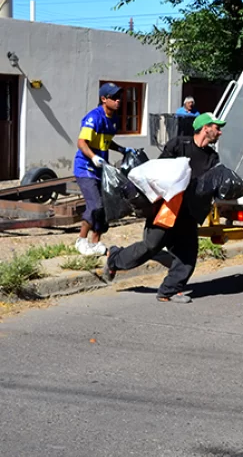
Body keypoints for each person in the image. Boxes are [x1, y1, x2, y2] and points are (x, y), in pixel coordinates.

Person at [102, 112, 226, 304]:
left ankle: (169, 290)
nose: (219, 132)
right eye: (217, 128)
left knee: (187, 255)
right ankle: (114, 259)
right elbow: (158, 171)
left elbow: (208, 183)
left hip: (188, 212)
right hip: (166, 208)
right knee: (150, 246)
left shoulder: (212, 157)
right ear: (205, 128)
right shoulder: (178, 145)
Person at [74, 83, 128, 256]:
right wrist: (93, 157)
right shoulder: (94, 117)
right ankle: (81, 241)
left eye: (119, 97)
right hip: (85, 168)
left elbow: (106, 141)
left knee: (104, 208)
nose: (118, 100)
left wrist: (121, 149)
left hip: (101, 169)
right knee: (95, 205)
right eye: (114, 97)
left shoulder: (114, 119)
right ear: (104, 99)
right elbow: (81, 142)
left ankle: (95, 243)